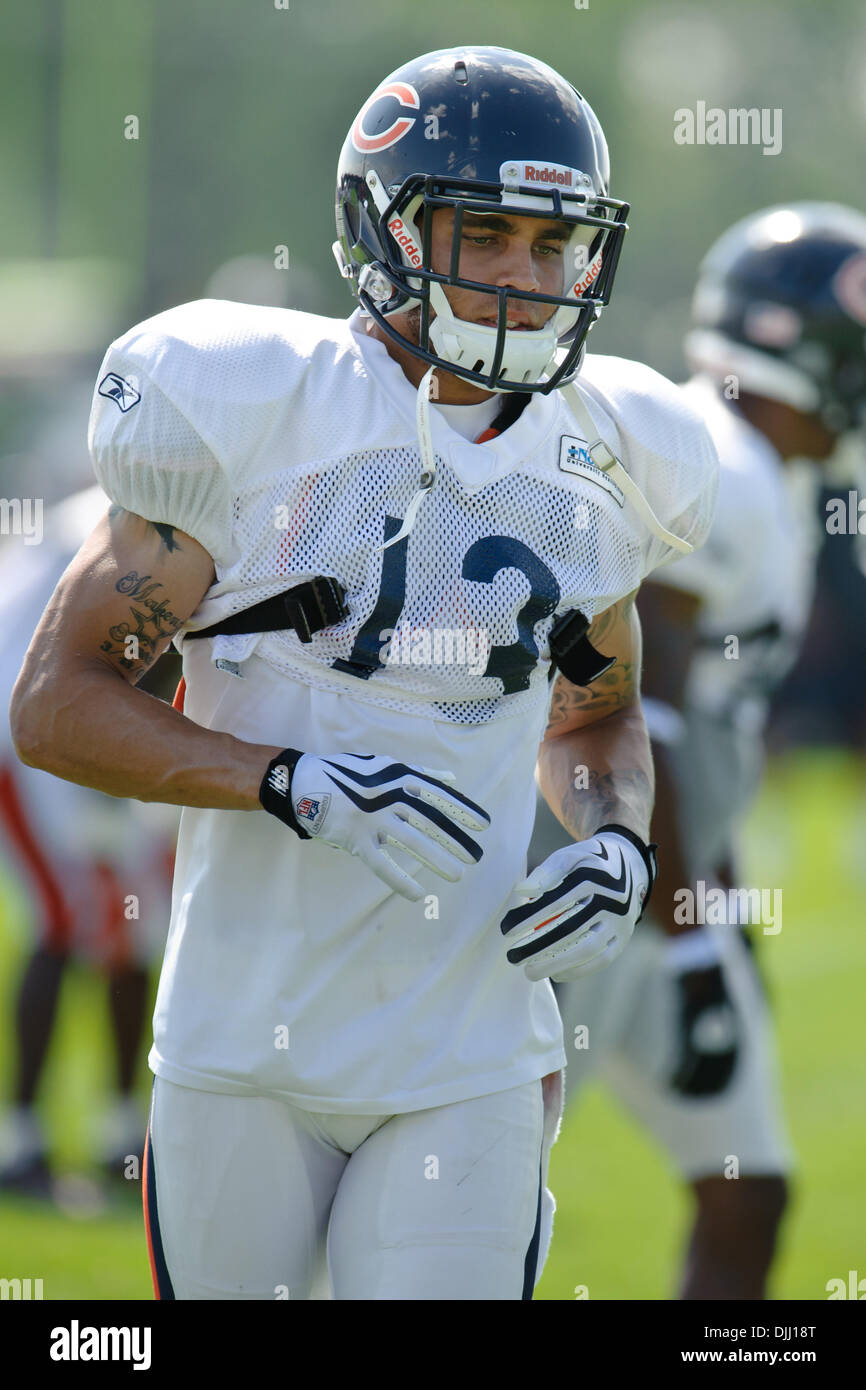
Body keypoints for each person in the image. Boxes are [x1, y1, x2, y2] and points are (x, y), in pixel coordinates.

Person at [10, 45, 717, 1300]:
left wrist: (616, 842)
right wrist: (290, 781)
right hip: (242, 1044)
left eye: (552, 246)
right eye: (484, 232)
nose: (523, 276)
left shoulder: (607, 454)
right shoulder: (247, 404)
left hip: (470, 1046)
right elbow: (57, 708)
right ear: (382, 230)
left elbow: (594, 714)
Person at [530, 201, 866, 1298]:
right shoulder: (712, 460)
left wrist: (713, 923)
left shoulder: (770, 476)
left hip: (665, 892)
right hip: (581, 887)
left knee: (747, 1184)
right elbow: (636, 715)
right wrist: (684, 943)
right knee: (475, 1208)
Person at [0, 486, 177, 1197]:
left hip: (76, 726)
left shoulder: (136, 500)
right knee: (68, 920)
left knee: (132, 926)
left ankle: (117, 1133)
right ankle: (20, 1143)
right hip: (29, 728)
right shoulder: (131, 508)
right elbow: (128, 645)